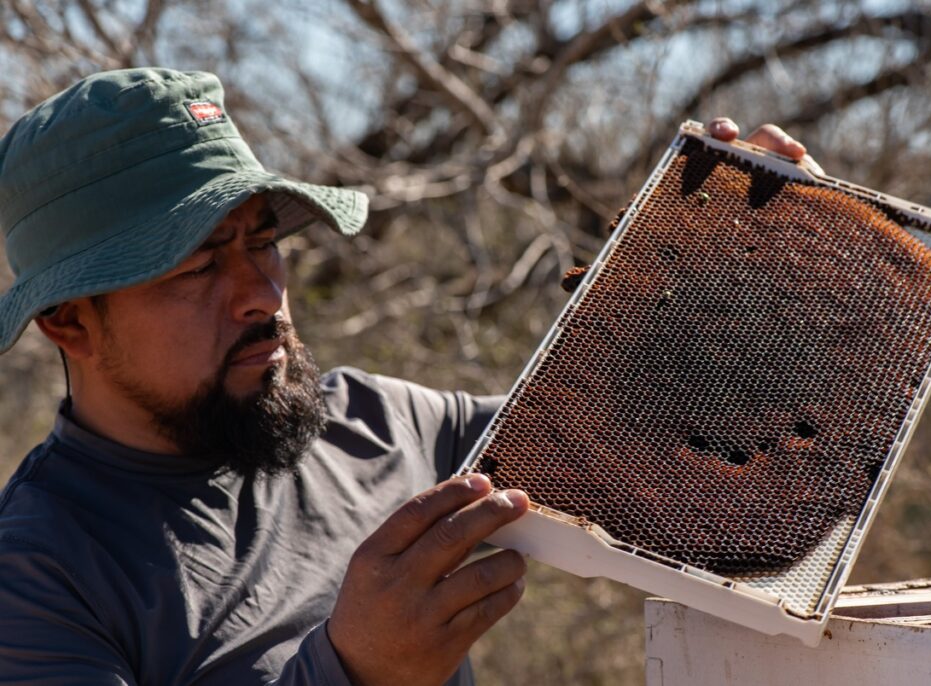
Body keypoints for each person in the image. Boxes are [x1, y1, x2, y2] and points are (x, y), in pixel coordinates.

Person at [0, 68, 814, 685]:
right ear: (69, 321)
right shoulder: (36, 578)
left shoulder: (379, 423)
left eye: (261, 242)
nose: (261, 292)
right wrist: (353, 671)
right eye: (195, 264)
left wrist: (719, 280)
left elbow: (638, 443)